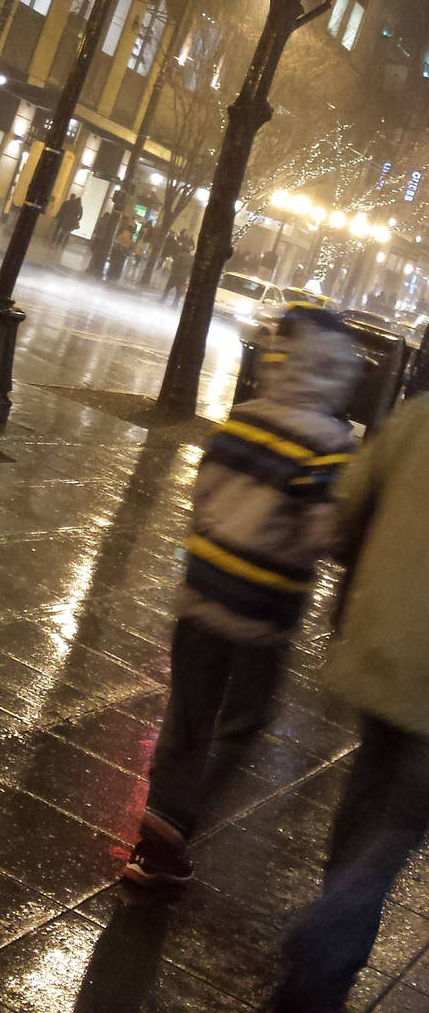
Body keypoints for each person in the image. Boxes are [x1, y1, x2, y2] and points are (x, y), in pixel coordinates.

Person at [122, 304, 361, 889]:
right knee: (244, 722)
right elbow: (321, 535)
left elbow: (202, 497)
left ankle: (158, 834)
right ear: (335, 376)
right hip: (263, 613)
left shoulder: (241, 422)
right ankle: (177, 820)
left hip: (201, 597)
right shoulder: (331, 447)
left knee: (186, 717)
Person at [267, 392, 429, 1012]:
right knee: (389, 835)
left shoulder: (417, 418)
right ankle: (319, 963)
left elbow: (344, 510)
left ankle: (322, 953)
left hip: (382, 652)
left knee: (367, 805)